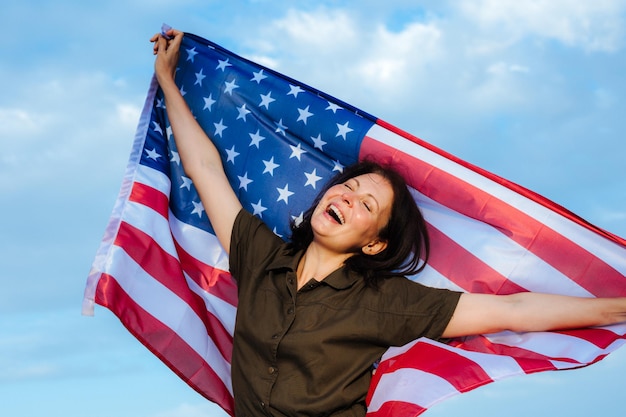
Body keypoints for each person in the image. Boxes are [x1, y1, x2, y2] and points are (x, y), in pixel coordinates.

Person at [151, 29, 626, 417]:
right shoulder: (259, 257)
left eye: (366, 205)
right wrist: (169, 82)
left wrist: (616, 309)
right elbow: (205, 170)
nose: (346, 197)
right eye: (348, 188)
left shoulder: (386, 304)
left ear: (375, 244)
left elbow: (516, 312)